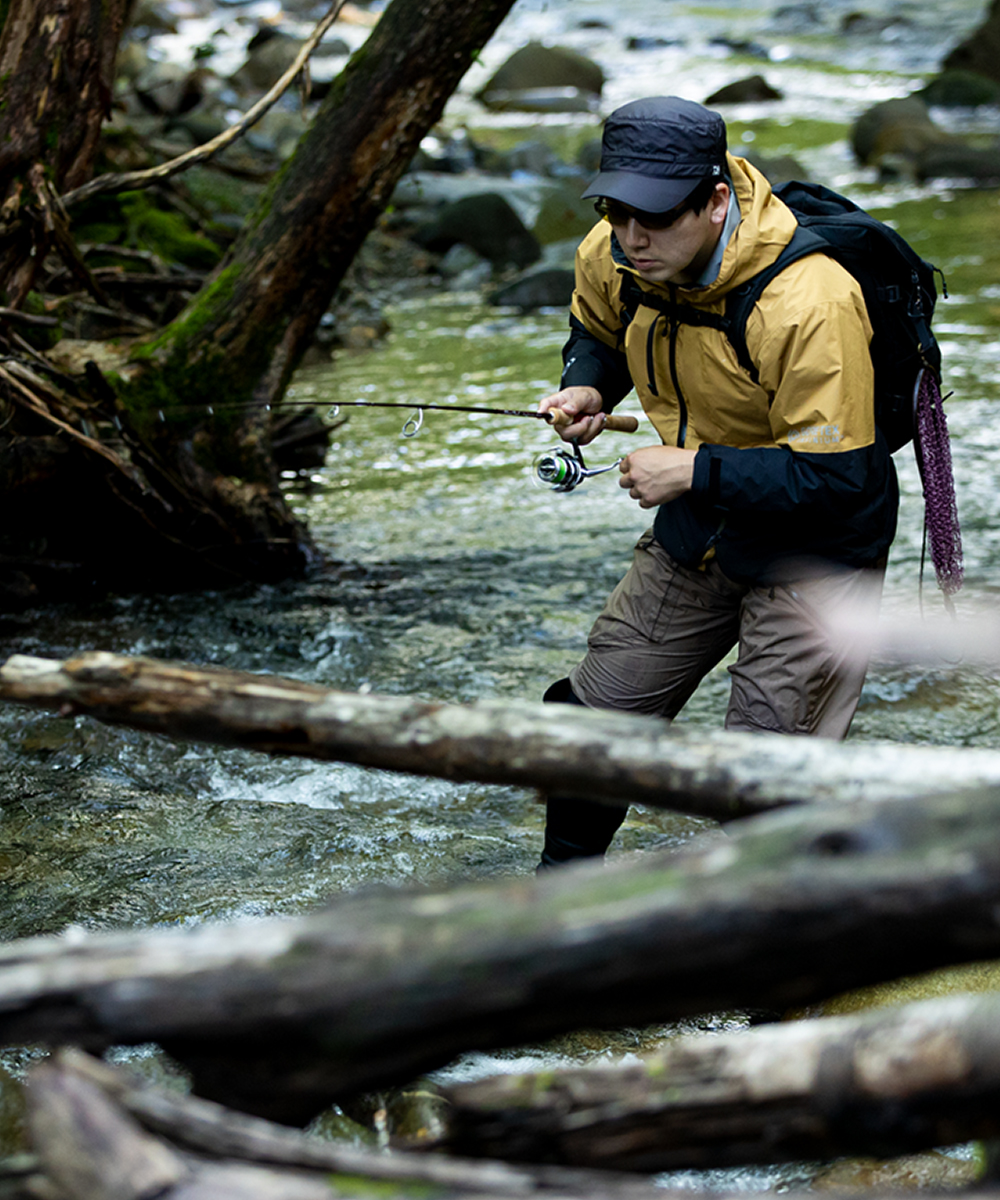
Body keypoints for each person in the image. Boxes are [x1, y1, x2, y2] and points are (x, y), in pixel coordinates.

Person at [535, 95, 897, 870]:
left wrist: (693, 467)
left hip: (817, 548)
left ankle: (790, 975)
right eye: (618, 210)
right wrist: (588, 386)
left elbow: (841, 478)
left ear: (716, 201)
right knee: (587, 729)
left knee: (761, 781)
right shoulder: (616, 252)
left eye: (659, 217)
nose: (634, 236)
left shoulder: (810, 300)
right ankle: (555, 906)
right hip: (701, 525)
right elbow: (595, 332)